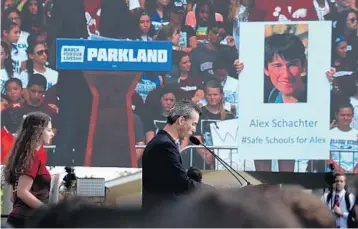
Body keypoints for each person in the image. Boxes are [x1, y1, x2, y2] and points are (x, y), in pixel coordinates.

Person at [141, 98, 204, 212]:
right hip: (160, 217)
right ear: (181, 120)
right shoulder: (163, 145)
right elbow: (181, 183)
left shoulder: (165, 142)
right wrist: (213, 191)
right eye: (193, 124)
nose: (194, 129)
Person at [3, 111, 55, 228]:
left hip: (18, 219)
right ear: (39, 131)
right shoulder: (32, 158)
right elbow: (22, 192)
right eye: (49, 130)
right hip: (28, 221)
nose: (52, 134)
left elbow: (13, 196)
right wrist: (48, 211)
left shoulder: (21, 157)